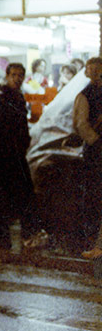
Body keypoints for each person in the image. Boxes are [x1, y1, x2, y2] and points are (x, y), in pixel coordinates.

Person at [0, 63, 33, 250]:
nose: (17, 78)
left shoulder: (19, 97)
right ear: (7, 76)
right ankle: (0, 239)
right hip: (2, 153)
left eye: (20, 75)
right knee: (3, 196)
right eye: (14, 75)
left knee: (21, 193)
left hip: (15, 152)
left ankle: (8, 238)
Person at [75, 58, 102, 259]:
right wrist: (96, 141)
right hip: (95, 151)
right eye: (91, 71)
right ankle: (94, 241)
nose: (95, 75)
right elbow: (81, 124)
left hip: (96, 149)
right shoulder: (85, 95)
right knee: (94, 195)